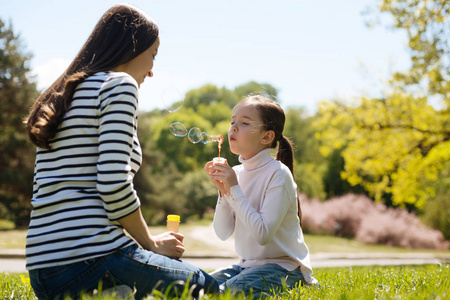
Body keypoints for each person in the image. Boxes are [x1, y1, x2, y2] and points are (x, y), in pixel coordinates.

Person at [24, 4, 218, 299]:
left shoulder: (63, 94)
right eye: (152, 55)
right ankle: (108, 290)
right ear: (132, 48)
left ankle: (113, 292)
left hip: (43, 272)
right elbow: (113, 185)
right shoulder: (119, 85)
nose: (152, 70)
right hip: (90, 263)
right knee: (206, 286)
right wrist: (150, 244)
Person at [204, 95, 318, 297]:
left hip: (285, 269)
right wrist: (224, 192)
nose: (233, 128)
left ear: (266, 137)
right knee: (199, 286)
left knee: (228, 293)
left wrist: (234, 189)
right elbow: (222, 233)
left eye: (245, 123)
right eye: (233, 122)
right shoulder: (236, 173)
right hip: (246, 267)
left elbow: (263, 234)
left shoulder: (278, 173)